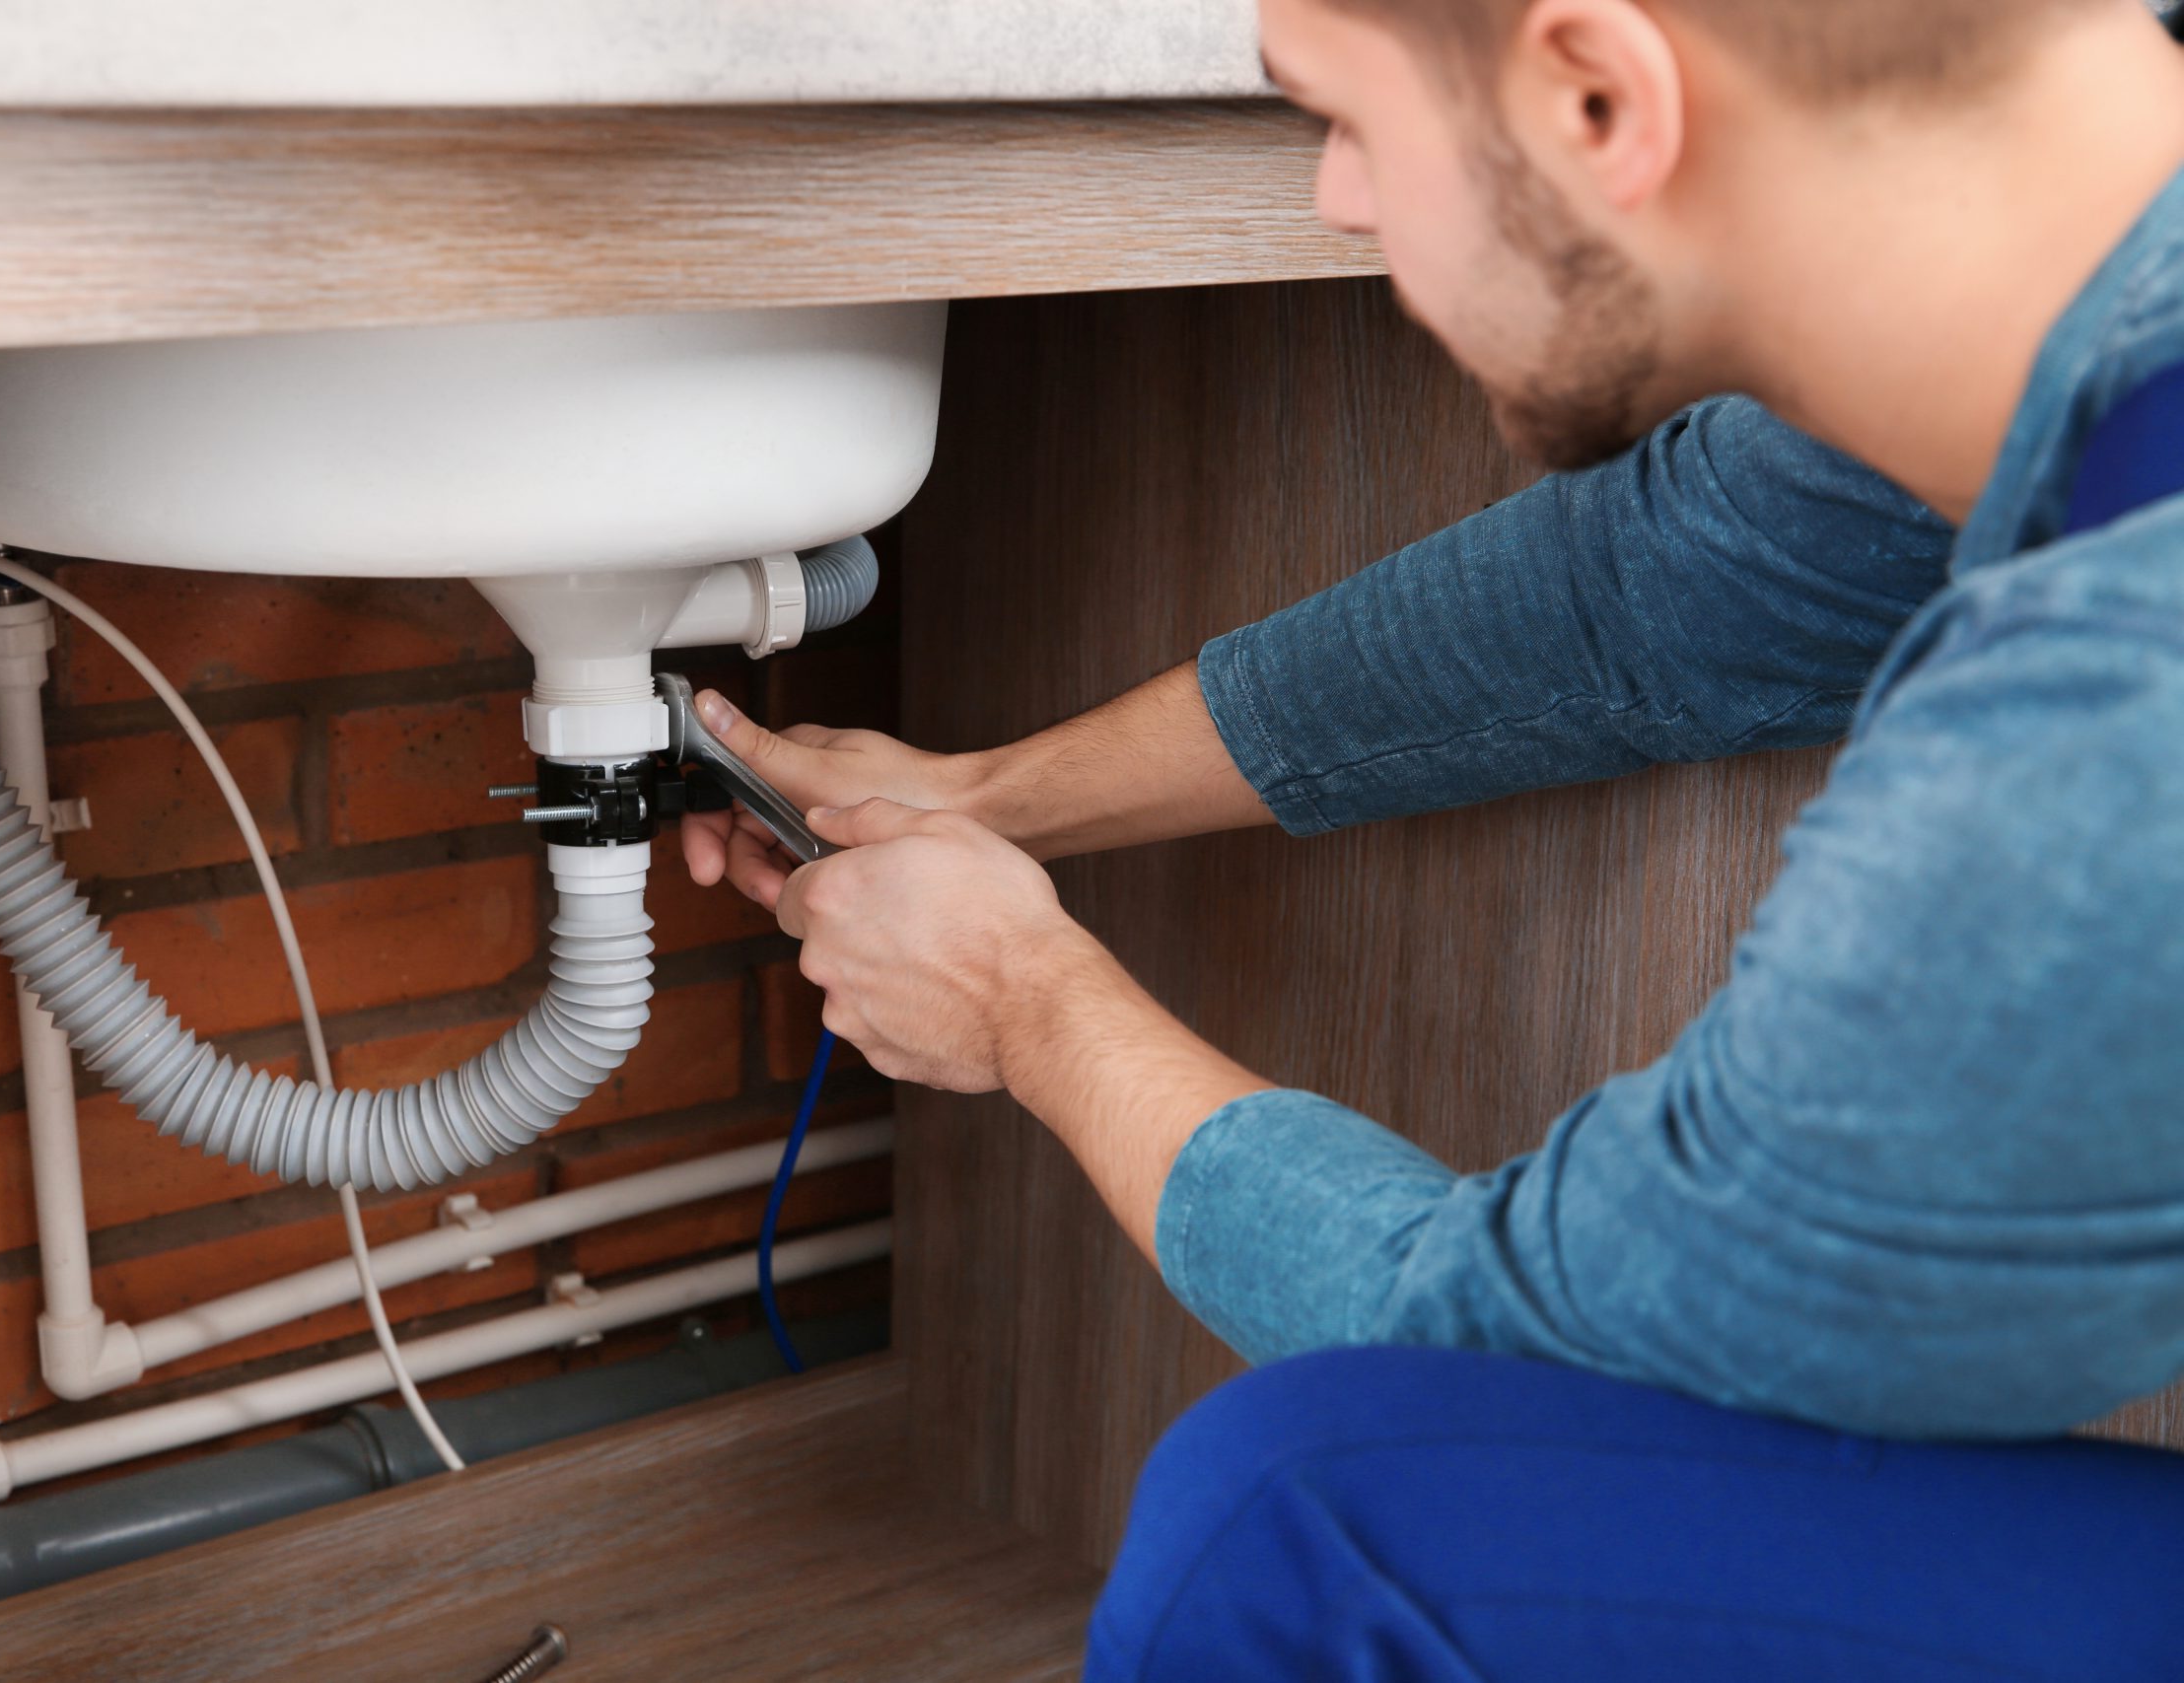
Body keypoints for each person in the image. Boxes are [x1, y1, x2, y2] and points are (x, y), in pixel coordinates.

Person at [681, 0, 2184, 1675]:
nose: (1335, 193)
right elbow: (1654, 591)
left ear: (1600, 90)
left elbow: (1507, 1361)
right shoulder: (2102, 274)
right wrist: (990, 797)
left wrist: (1022, 997)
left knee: (1308, 1525)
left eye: (1341, 114)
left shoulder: (2115, 713)